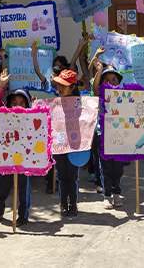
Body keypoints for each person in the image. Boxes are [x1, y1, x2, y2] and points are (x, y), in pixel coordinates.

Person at [0, 69, 33, 226]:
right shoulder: (4, 115)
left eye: (22, 103)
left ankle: (23, 215)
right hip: (6, 158)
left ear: (28, 106)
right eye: (14, 103)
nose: (18, 106)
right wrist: (1, 86)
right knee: (1, 187)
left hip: (25, 160)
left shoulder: (32, 118)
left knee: (24, 190)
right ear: (8, 106)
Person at [94, 63, 126, 209]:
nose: (110, 82)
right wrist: (99, 71)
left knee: (118, 167)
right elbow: (94, 87)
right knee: (105, 167)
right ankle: (107, 196)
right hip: (103, 136)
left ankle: (117, 193)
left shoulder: (124, 95)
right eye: (106, 79)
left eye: (114, 79)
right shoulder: (100, 94)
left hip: (120, 135)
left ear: (118, 82)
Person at [52, 70, 81, 217]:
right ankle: (63, 203)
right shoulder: (54, 103)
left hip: (75, 146)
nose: (60, 88)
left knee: (73, 177)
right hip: (59, 146)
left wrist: (92, 111)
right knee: (62, 176)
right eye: (59, 85)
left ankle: (73, 203)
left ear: (73, 87)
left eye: (64, 85)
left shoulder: (80, 103)